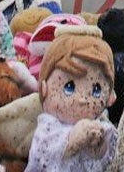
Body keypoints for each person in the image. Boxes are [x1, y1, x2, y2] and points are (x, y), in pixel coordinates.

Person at [26, 27, 117, 172]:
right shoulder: (49, 128)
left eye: (96, 90)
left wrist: (99, 144)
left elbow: (106, 157)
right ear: (44, 88)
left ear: (110, 97)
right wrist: (74, 137)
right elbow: (46, 153)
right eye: (69, 87)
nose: (82, 99)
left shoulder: (102, 125)